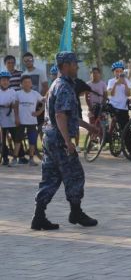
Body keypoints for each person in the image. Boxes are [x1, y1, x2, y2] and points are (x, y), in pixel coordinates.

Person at [31, 51, 98, 230]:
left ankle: (38, 216)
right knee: (75, 175)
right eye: (75, 63)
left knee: (50, 178)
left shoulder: (56, 84)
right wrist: (69, 142)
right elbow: (60, 116)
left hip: (50, 138)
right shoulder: (65, 87)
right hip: (60, 141)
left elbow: (67, 115)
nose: (78, 66)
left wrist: (88, 126)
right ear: (66, 65)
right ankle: (76, 213)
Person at [9, 75, 45, 167]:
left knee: (32, 140)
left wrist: (39, 112)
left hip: (32, 121)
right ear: (21, 84)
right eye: (25, 82)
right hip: (21, 121)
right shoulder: (18, 94)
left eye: (29, 82)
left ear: (31, 83)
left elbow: (45, 101)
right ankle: (14, 158)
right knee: (18, 140)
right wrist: (16, 118)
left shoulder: (35, 93)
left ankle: (31, 158)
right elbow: (15, 107)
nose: (27, 84)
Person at [107, 61, 131, 157]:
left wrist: (125, 84)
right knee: (112, 126)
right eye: (116, 71)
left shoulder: (126, 81)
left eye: (120, 71)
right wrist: (115, 84)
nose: (118, 73)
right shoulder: (111, 81)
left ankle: (130, 151)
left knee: (125, 129)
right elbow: (111, 94)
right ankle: (110, 140)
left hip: (123, 107)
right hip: (113, 107)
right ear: (113, 72)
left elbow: (128, 94)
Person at [21, 52, 48, 129]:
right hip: (28, 104)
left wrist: (38, 100)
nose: (28, 62)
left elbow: (46, 87)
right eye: (26, 60)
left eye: (30, 60)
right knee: (30, 127)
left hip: (39, 104)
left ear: (33, 60)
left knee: (41, 127)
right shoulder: (23, 75)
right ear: (23, 62)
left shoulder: (40, 72)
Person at [0, 71, 18, 166]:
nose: (5, 82)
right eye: (3, 80)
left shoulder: (12, 91)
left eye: (7, 80)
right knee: (3, 140)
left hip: (11, 118)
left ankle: (18, 155)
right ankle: (5, 157)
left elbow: (15, 104)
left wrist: (10, 105)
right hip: (2, 118)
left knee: (15, 137)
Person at [73, 77, 92, 153]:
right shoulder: (61, 81)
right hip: (64, 108)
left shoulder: (78, 81)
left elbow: (88, 89)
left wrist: (80, 94)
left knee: (76, 126)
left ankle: (77, 145)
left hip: (76, 106)